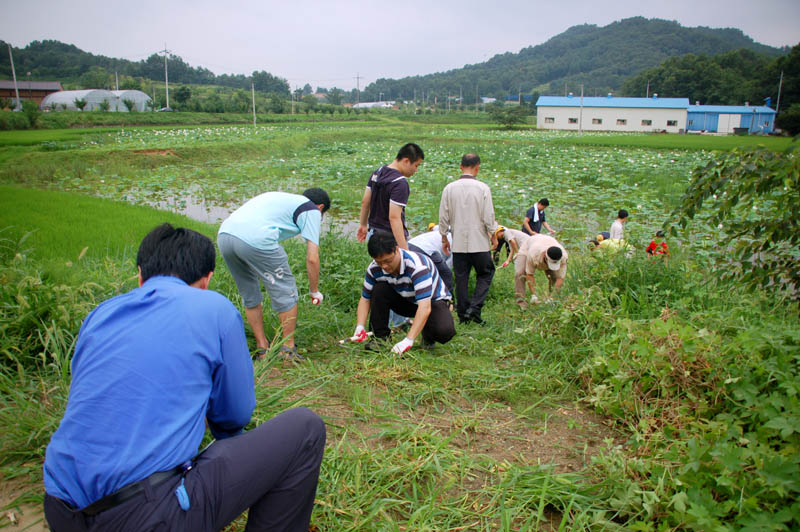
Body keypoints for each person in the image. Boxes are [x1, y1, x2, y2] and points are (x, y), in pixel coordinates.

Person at [43, 223, 326, 532]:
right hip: (146, 516)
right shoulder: (215, 308)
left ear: (140, 276)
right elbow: (234, 416)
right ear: (206, 281)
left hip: (60, 508)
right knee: (305, 430)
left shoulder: (100, 313)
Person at [218, 188, 330, 360]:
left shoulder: (280, 198)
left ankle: (262, 348)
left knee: (249, 293)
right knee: (285, 290)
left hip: (225, 236)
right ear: (320, 207)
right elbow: (313, 258)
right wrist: (314, 290)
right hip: (256, 239)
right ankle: (288, 350)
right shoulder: (311, 209)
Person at [351, 231, 455, 353]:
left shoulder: (417, 266)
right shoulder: (374, 269)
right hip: (406, 301)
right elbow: (365, 299)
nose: (384, 266)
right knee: (379, 289)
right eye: (380, 262)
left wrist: (408, 340)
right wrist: (360, 326)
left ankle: (428, 335)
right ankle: (380, 339)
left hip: (431, 302)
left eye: (388, 261)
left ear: (396, 250)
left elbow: (424, 307)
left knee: (444, 331)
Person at [439, 153, 498, 324]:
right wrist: (493, 235)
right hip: (479, 242)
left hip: (458, 244)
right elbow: (489, 217)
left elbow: (443, 216)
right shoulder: (483, 188)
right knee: (486, 273)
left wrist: (444, 237)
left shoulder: (449, 188)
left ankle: (463, 315)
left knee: (461, 278)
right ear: (477, 166)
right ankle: (475, 308)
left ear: (460, 166)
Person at [357, 143, 425, 250]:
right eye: (416, 165)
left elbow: (365, 202)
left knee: (380, 265)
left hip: (373, 235)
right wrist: (404, 251)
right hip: (390, 239)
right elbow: (394, 218)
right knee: (393, 265)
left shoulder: (377, 172)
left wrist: (363, 225)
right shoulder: (399, 183)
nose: (416, 170)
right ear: (406, 161)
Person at [515, 233, 568, 309]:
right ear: (545, 257)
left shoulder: (563, 257)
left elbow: (560, 278)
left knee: (555, 276)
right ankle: (521, 302)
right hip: (528, 246)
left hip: (546, 241)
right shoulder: (534, 253)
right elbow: (529, 274)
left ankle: (552, 300)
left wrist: (552, 297)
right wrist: (534, 295)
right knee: (520, 273)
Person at [408, 224, 454, 294]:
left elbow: (435, 227)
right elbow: (448, 266)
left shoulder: (447, 231)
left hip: (411, 244)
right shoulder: (458, 244)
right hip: (426, 249)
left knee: (417, 275)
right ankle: (447, 300)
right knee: (446, 274)